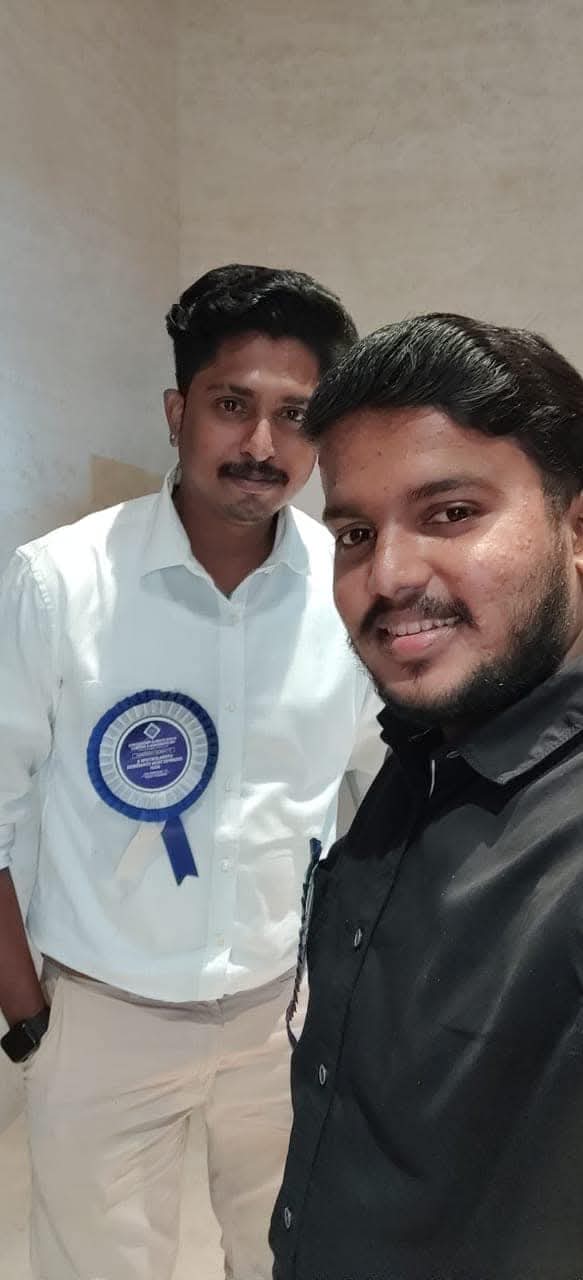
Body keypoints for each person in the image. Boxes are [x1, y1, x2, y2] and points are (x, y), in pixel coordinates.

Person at [0, 264, 383, 1280]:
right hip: (101, 1015)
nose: (261, 444)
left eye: (294, 415)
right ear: (178, 412)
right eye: (230, 405)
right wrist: (30, 1015)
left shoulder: (348, 590)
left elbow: (380, 794)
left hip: (281, 1015)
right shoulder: (60, 582)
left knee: (288, 1256)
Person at [271, 312, 583, 1280]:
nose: (389, 574)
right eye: (355, 532)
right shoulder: (425, 748)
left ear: (575, 528)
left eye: (450, 513)